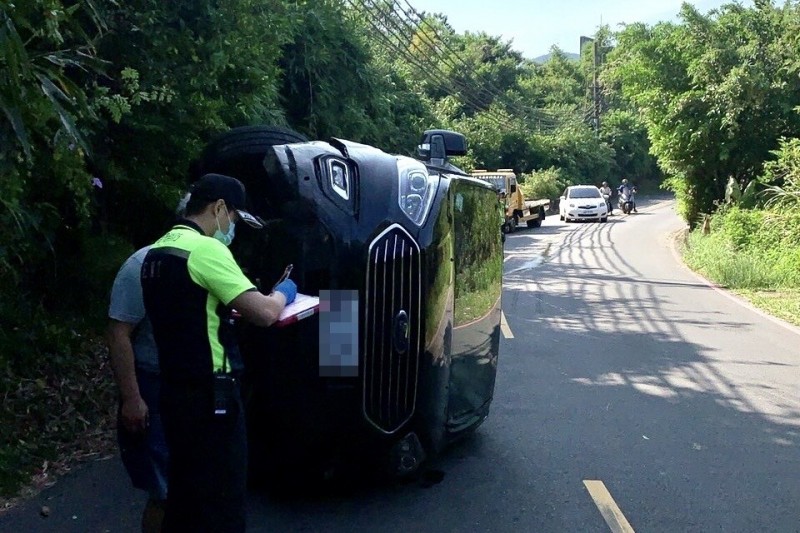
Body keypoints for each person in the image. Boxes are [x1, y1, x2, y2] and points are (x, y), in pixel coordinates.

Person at [140, 173, 297, 533]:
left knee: (185, 496)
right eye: (236, 220)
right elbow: (265, 313)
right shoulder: (207, 249)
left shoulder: (159, 250)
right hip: (213, 399)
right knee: (221, 500)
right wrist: (284, 292)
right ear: (220, 208)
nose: (234, 230)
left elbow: (190, 311)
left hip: (174, 392)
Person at [107, 245, 168, 533]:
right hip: (153, 382)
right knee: (164, 492)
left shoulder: (214, 260)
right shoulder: (143, 265)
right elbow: (119, 333)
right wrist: (132, 398)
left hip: (191, 386)